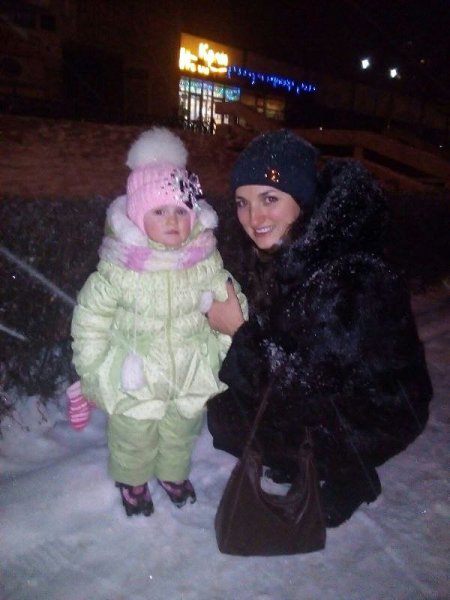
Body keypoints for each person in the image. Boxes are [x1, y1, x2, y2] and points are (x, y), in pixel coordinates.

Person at [206, 129, 432, 527]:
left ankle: (353, 476)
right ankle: (303, 457)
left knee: (265, 420)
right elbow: (286, 348)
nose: (254, 218)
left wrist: (240, 332)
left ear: (303, 200)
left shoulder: (351, 274)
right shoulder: (290, 250)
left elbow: (307, 387)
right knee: (226, 419)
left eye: (270, 199)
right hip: (319, 393)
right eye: (243, 202)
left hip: (375, 417)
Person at [68, 127, 247, 517]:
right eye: (159, 211)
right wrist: (95, 371)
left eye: (181, 211)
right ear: (137, 216)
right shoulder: (118, 269)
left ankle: (172, 474)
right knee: (133, 435)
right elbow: (90, 322)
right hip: (137, 376)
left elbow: (231, 304)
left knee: (181, 433)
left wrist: (215, 354)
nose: (173, 221)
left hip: (188, 372)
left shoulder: (204, 260)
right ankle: (132, 480)